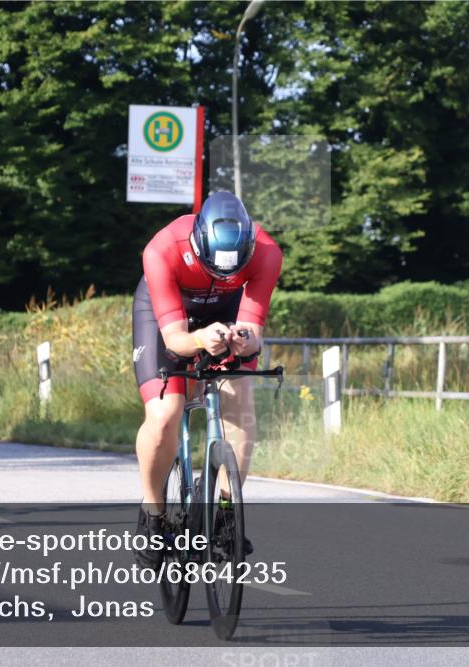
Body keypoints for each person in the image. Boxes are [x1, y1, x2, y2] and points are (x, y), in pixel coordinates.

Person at [131, 191, 282, 570]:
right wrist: (200, 339)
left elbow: (253, 331)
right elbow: (175, 341)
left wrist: (244, 339)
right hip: (167, 316)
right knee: (166, 413)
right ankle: (153, 514)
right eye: (216, 269)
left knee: (241, 408)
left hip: (227, 313)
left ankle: (226, 518)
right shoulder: (162, 249)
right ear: (198, 244)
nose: (224, 276)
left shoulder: (267, 252)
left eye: (233, 271)